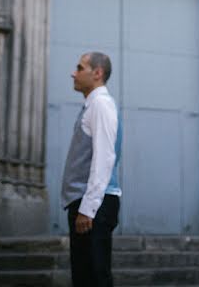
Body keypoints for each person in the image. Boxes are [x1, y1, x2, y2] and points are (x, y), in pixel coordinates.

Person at [61, 52, 122, 287]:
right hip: (89, 201)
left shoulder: (100, 104)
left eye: (80, 67)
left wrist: (88, 208)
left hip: (94, 203)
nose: (73, 73)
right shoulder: (93, 104)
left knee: (94, 277)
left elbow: (104, 157)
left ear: (97, 73)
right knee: (85, 276)